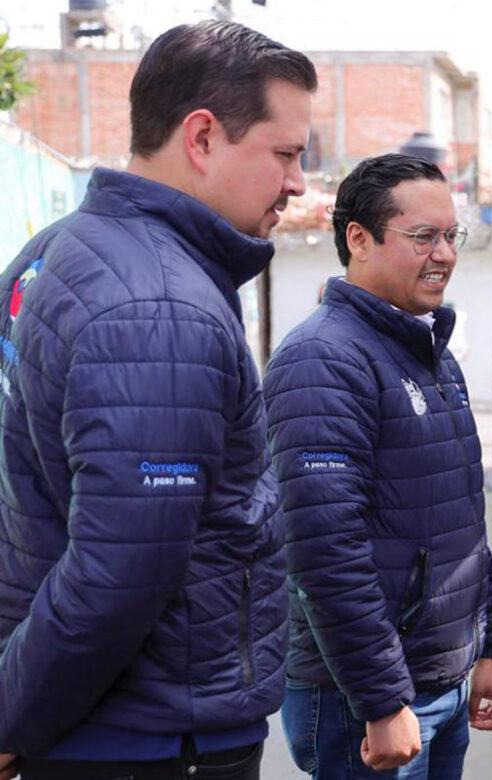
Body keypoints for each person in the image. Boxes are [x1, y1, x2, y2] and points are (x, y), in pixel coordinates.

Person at [0, 20, 316, 780]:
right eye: (285, 154)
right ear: (201, 137)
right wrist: (10, 718)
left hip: (98, 721)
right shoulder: (161, 306)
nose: (299, 183)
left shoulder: (58, 250)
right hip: (150, 741)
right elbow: (118, 575)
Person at [264, 153, 492, 780]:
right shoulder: (322, 359)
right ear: (359, 239)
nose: (444, 254)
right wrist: (380, 699)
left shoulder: (431, 353)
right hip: (365, 700)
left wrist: (488, 645)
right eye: (422, 236)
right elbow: (323, 548)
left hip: (441, 684)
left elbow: (461, 519)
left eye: (450, 235)